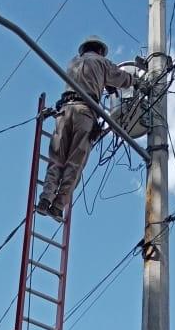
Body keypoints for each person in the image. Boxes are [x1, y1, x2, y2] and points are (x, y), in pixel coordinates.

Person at [35, 35, 137, 222]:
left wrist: (107, 86)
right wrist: (136, 80)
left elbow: (90, 78)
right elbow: (121, 78)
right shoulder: (102, 62)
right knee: (74, 162)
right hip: (85, 112)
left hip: (64, 111)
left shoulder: (73, 62)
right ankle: (58, 205)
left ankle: (45, 199)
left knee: (56, 160)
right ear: (100, 50)